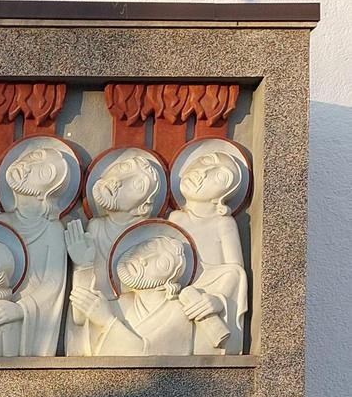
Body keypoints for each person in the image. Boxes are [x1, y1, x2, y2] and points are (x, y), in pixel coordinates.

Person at [64, 152, 163, 356]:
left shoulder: (151, 241)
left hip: (129, 325)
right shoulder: (96, 228)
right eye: (122, 169)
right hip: (93, 323)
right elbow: (80, 316)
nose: (118, 181)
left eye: (137, 185)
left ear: (142, 207)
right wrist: (82, 266)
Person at [68, 236, 227, 356]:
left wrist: (107, 321)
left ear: (168, 282)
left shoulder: (180, 312)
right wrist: (83, 265)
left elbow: (148, 357)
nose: (143, 260)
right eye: (146, 248)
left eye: (162, 263)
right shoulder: (122, 302)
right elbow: (82, 318)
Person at [167, 150, 248, 354]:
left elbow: (235, 273)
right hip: (181, 292)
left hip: (211, 291)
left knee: (233, 273)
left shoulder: (224, 223)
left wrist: (219, 299)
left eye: (218, 176)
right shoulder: (175, 219)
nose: (202, 172)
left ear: (221, 198)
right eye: (204, 161)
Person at [0, 146, 71, 356]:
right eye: (29, 159)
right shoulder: (2, 222)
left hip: (29, 316)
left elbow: (53, 283)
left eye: (42, 170)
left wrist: (20, 309)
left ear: (48, 192)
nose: (27, 167)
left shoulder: (52, 229)